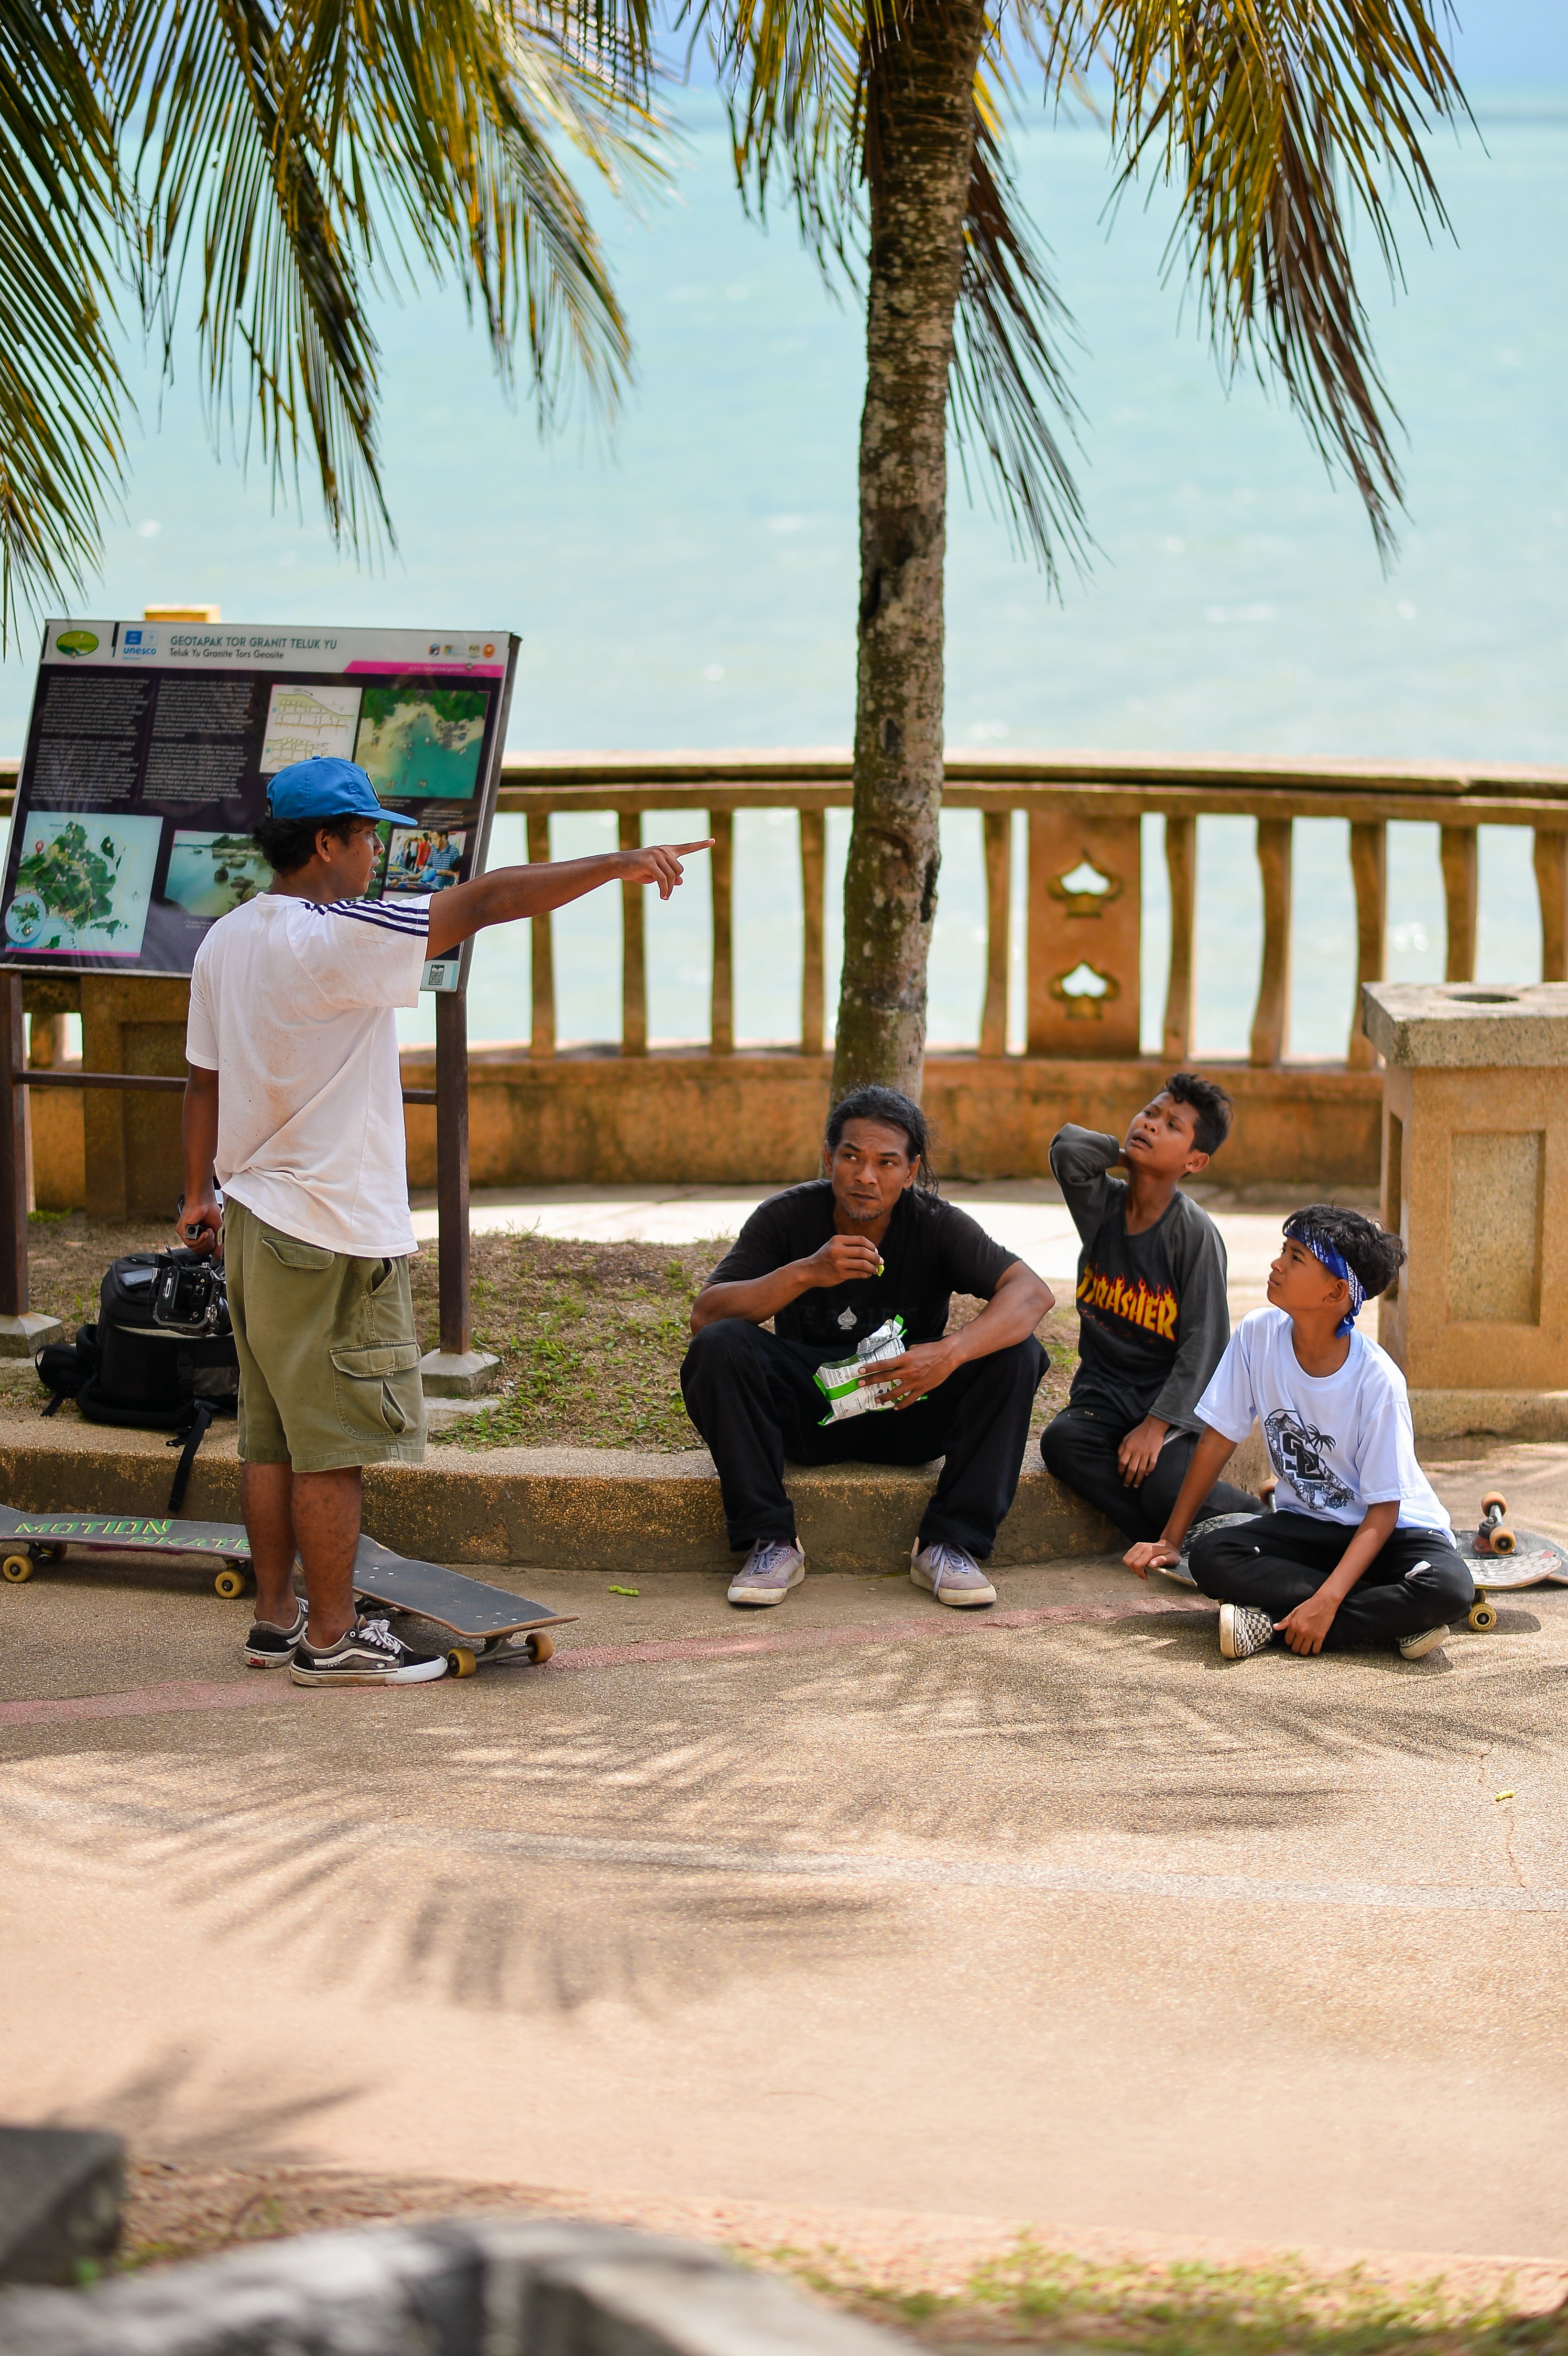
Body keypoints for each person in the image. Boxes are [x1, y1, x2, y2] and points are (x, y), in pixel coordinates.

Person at [180, 754, 710, 1687]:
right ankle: (334, 1638)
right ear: (325, 843)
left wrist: (198, 1193)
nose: (372, 857)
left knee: (269, 1436)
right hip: (329, 1227)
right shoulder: (333, 935)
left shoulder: (227, 938)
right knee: (334, 1444)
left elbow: (203, 1077)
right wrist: (619, 861)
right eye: (365, 840)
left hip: (255, 1217)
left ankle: (275, 1618)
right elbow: (491, 898)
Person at [680, 1087, 1053, 1608]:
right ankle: (771, 1541)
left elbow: (1032, 1293)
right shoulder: (787, 1217)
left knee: (1018, 1352)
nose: (865, 1176)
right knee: (720, 1345)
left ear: (910, 1169)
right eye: (852, 1156)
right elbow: (706, 1315)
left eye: (886, 1162)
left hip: (908, 1406)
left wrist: (949, 1353)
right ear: (829, 1156)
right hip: (810, 1412)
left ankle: (949, 1543)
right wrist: (807, 1270)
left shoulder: (936, 1224)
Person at [1124, 1206, 1473, 1660]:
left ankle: (1272, 1623)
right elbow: (1216, 1441)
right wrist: (1171, 1539)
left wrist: (1328, 1601)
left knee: (1449, 1591)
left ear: (1336, 1291)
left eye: (1296, 1257)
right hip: (1311, 1529)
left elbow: (1385, 1512)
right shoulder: (1257, 1336)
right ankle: (1394, 1617)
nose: (1277, 1265)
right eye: (1283, 1251)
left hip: (1393, 1536)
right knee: (1212, 1556)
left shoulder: (1378, 1382)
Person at [1039, 1076, 1259, 1546]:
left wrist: (1156, 1426)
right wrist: (1128, 1153)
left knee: (1165, 1488)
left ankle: (1261, 1519)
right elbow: (1067, 1148)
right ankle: (1164, 1540)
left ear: (1195, 1160)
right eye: (1149, 1113)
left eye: (1171, 1125)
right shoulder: (1102, 1207)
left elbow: (1205, 1343)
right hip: (1105, 1395)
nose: (1151, 1124)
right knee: (1061, 1443)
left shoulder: (1193, 1233)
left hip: (1174, 1405)